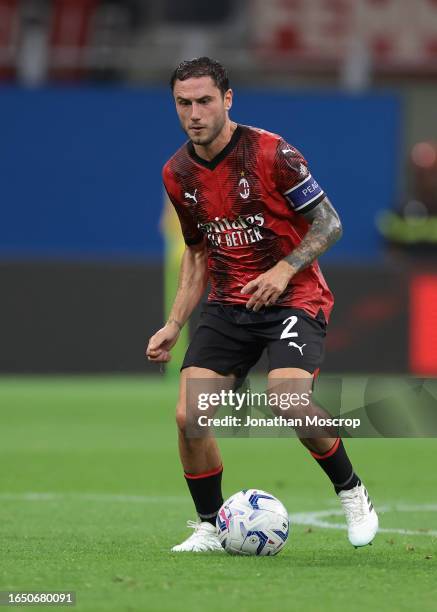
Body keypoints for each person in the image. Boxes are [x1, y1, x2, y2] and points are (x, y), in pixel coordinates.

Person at [146, 57, 378, 552]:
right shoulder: (177, 173)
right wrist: (173, 322)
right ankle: (210, 525)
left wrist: (284, 268)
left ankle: (352, 490)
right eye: (183, 103)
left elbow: (331, 224)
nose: (194, 113)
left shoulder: (272, 153)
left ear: (227, 99)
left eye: (205, 101)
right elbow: (197, 253)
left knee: (286, 398)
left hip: (294, 297)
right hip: (229, 305)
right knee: (190, 416)